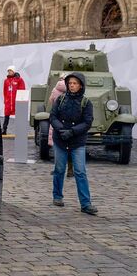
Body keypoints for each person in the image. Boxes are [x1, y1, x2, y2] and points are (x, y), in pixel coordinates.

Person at [50, 72, 98, 215]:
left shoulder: (86, 103)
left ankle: (85, 203)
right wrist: (61, 129)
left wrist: (72, 131)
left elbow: (87, 122)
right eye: (70, 83)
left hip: (77, 141)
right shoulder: (61, 99)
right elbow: (53, 116)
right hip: (60, 140)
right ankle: (57, 196)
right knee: (59, 169)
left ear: (80, 85)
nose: (72, 85)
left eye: (75, 83)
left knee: (80, 172)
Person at [48, 75, 73, 178]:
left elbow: (51, 100)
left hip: (57, 122)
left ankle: (58, 170)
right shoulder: (72, 91)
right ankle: (70, 170)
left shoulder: (55, 89)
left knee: (58, 149)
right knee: (70, 149)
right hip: (68, 122)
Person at [2, 65, 26, 135]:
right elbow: (5, 91)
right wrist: (5, 100)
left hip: (16, 102)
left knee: (18, 116)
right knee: (6, 116)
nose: (9, 72)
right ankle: (4, 130)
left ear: (14, 71)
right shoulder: (6, 81)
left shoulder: (19, 80)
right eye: (8, 71)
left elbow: (22, 90)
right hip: (8, 102)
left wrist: (21, 100)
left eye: (11, 70)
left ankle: (20, 131)